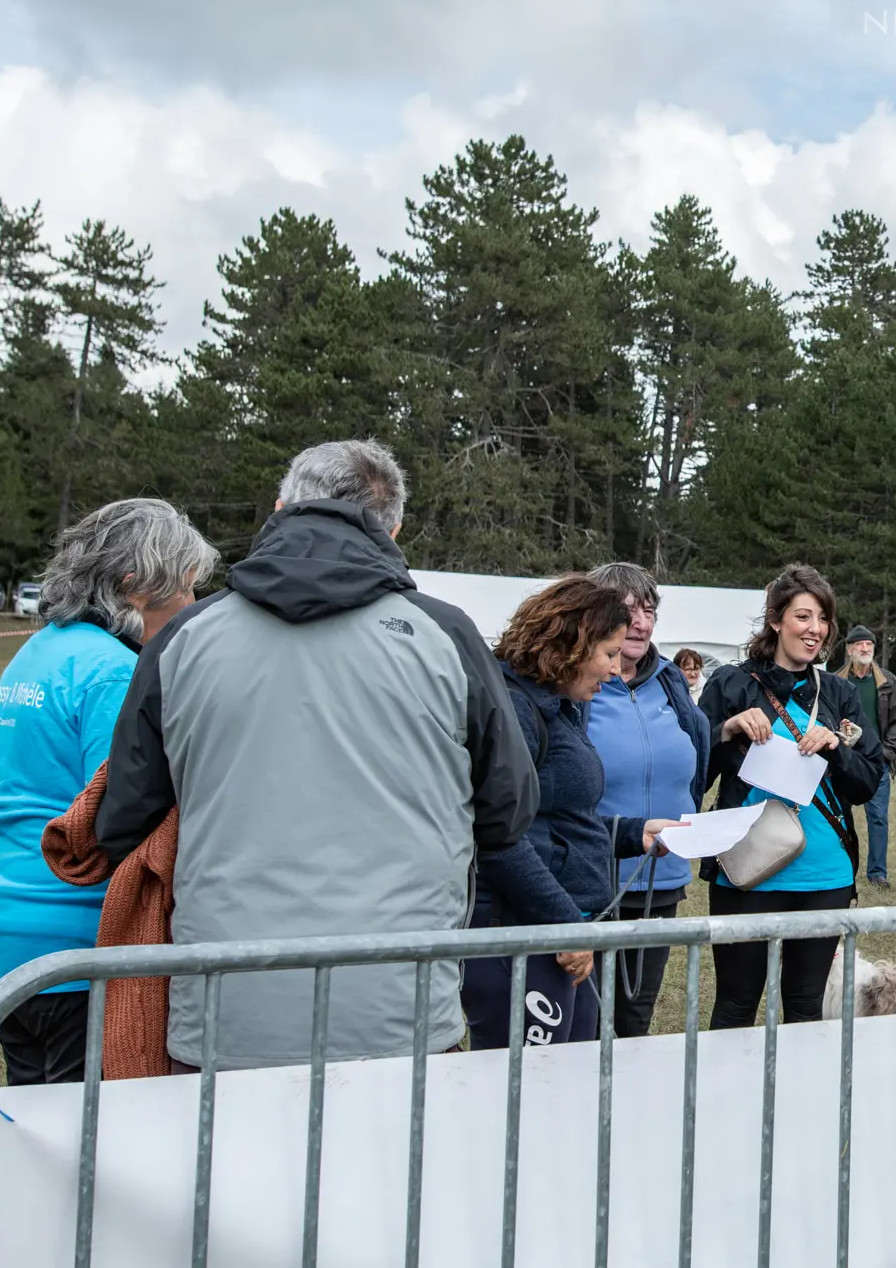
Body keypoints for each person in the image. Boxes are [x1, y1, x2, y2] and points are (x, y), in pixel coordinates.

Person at [95, 441, 554, 1071]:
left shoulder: (185, 636)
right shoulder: (445, 636)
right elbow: (507, 811)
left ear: (281, 507)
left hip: (228, 1003)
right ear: (393, 529)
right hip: (398, 1005)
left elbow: (123, 820)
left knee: (225, 1171)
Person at [0, 500, 218, 1085]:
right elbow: (117, 814)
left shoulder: (35, 653)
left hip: (7, 936)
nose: (189, 607)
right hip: (78, 943)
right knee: (88, 1153)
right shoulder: (114, 670)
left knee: (32, 1137)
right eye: (184, 589)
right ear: (136, 586)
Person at [464, 576, 677, 1049]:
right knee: (526, 1096)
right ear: (571, 645)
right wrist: (566, 924)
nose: (615, 669)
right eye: (608, 653)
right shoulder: (515, 710)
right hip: (527, 935)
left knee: (567, 1087)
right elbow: (502, 837)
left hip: (566, 928)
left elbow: (557, 815)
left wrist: (631, 833)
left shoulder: (562, 706)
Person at [699, 565, 885, 1028]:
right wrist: (726, 729)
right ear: (776, 619)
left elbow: (867, 784)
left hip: (825, 876)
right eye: (803, 616)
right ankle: (727, 1102)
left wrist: (836, 749)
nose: (815, 630)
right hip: (747, 871)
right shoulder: (730, 684)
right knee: (736, 1006)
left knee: (806, 1010)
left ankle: (800, 1102)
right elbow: (692, 773)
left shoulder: (839, 693)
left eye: (823, 619)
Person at [586, 562, 708, 1040]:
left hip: (660, 876)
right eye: (628, 609)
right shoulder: (578, 685)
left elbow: (695, 759)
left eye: (649, 610)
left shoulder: (670, 682)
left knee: (635, 1022)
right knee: (586, 1024)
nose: (639, 622)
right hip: (589, 883)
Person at [837, 625, 896, 888]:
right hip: (845, 761)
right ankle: (843, 868)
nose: (865, 649)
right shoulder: (837, 681)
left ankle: (877, 873)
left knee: (877, 817)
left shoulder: (887, 681)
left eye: (869, 645)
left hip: (876, 761)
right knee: (840, 815)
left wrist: (885, 753)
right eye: (859, 645)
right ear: (849, 650)